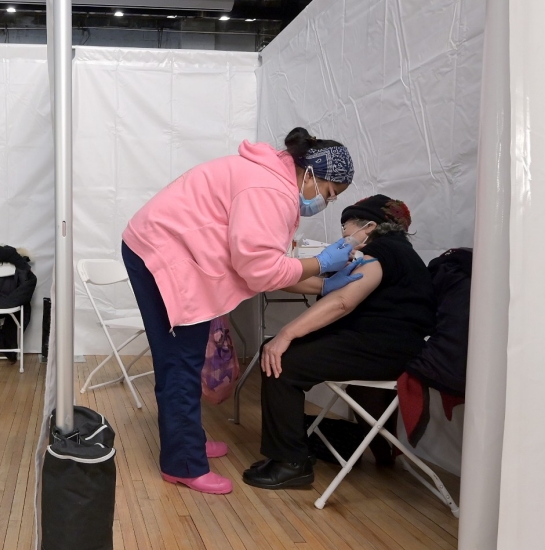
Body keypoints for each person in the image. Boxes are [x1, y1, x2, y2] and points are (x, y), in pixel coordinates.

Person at [121, 128, 359, 495]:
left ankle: (188, 441)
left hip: (169, 247)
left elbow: (265, 264)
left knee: (185, 358)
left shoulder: (272, 175)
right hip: (161, 255)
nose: (325, 203)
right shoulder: (270, 190)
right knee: (179, 362)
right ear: (310, 173)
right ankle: (183, 463)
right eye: (329, 193)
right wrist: (320, 263)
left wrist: (323, 279)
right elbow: (262, 270)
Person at [243, 195, 434, 490]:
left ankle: (290, 463)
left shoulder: (380, 251)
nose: (344, 234)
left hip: (381, 348)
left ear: (369, 226)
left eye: (346, 227)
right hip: (395, 348)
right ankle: (311, 447)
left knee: (283, 359)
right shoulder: (403, 255)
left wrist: (285, 334)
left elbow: (344, 301)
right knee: (282, 353)